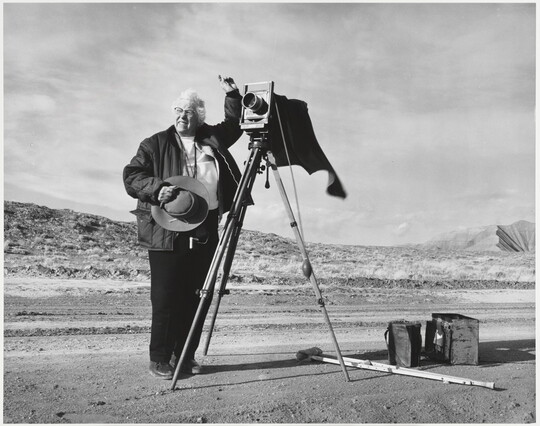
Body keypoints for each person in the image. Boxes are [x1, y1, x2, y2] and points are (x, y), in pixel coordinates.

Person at [123, 75, 243, 379]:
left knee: (197, 295)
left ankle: (185, 354)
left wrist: (232, 95)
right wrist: (155, 189)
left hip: (204, 230)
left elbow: (234, 124)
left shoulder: (211, 138)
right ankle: (160, 358)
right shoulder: (155, 144)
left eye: (188, 111)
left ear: (198, 115)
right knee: (165, 296)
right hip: (166, 230)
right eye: (177, 110)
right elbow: (132, 175)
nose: (181, 116)